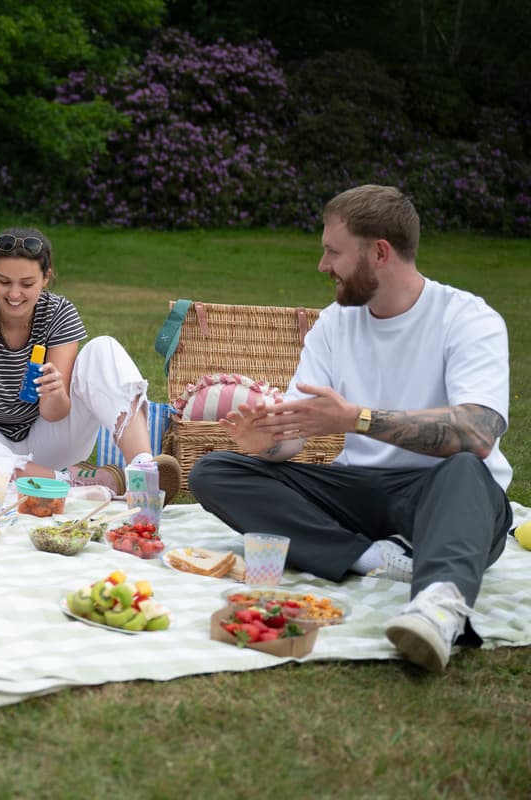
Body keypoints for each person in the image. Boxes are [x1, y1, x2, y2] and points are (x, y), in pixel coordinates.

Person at [188, 185, 512, 675]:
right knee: (215, 471)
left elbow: (477, 433)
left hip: (446, 496)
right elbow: (296, 431)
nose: (323, 265)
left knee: (467, 467)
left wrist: (357, 419)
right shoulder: (334, 324)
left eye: (333, 252)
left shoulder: (468, 318)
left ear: (379, 252)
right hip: (357, 492)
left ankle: (437, 609)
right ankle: (371, 558)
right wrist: (268, 443)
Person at [0, 226, 182, 501]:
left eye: (27, 284)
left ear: (46, 277)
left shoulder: (60, 313)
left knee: (103, 348)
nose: (14, 294)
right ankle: (74, 481)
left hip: (46, 436)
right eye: (4, 282)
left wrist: (55, 393)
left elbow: (55, 413)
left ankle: (142, 470)